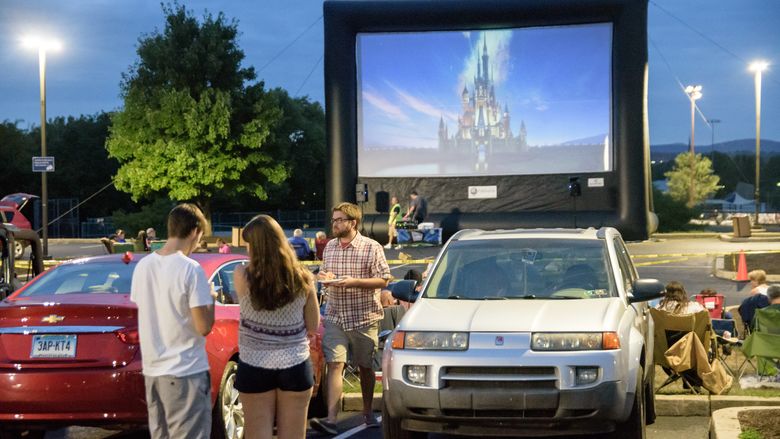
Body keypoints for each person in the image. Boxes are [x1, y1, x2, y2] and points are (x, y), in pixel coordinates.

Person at [130, 203, 214, 439]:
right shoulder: (190, 269)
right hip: (185, 370)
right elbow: (203, 326)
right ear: (195, 231)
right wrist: (211, 300)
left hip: (153, 370)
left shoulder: (143, 266)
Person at [232, 215, 320, 439]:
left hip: (254, 362)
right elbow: (313, 324)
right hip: (295, 362)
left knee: (257, 432)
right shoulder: (303, 278)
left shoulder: (243, 276)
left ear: (256, 246)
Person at [310, 202, 391, 435]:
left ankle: (367, 412)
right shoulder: (330, 247)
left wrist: (353, 281)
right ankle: (332, 420)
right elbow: (325, 273)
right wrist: (325, 276)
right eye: (333, 220)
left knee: (365, 367)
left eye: (339, 220)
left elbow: (384, 279)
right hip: (335, 315)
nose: (334, 224)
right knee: (335, 364)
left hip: (364, 316)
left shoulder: (371, 247)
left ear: (352, 223)